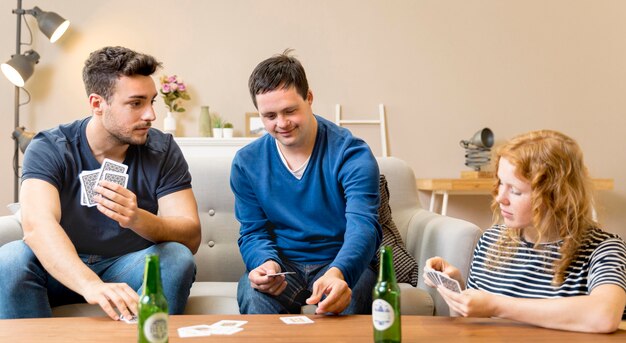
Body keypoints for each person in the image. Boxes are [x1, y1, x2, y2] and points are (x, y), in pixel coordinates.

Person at [0, 46, 201, 320]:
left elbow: (190, 237)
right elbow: (37, 226)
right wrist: (91, 285)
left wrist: (137, 219)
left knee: (177, 257)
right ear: (97, 104)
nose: (150, 115)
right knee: (10, 259)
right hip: (59, 267)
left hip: (127, 265)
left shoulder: (162, 149)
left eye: (152, 101)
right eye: (136, 103)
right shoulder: (50, 147)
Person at [425, 130, 626, 333]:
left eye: (515, 190)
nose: (499, 198)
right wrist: (457, 289)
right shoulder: (491, 241)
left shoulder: (603, 250)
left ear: (556, 195)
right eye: (501, 183)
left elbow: (604, 316)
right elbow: (472, 328)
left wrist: (497, 305)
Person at [231, 50, 382, 315]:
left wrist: (339, 272)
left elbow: (364, 226)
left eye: (290, 110)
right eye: (270, 116)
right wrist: (266, 264)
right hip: (283, 266)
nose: (282, 123)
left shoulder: (351, 153)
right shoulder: (247, 162)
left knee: (349, 299)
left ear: (309, 98)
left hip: (339, 261)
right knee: (253, 297)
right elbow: (253, 231)